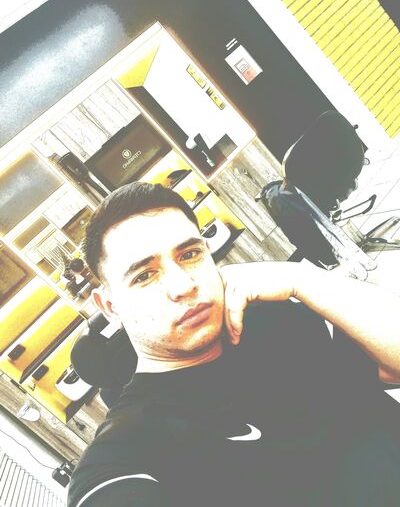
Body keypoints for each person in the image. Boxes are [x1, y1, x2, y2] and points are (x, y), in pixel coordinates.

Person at [68, 182, 400, 507]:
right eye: (144, 276)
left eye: (190, 254)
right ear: (110, 306)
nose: (183, 286)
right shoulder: (131, 447)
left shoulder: (273, 322)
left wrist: (301, 280)